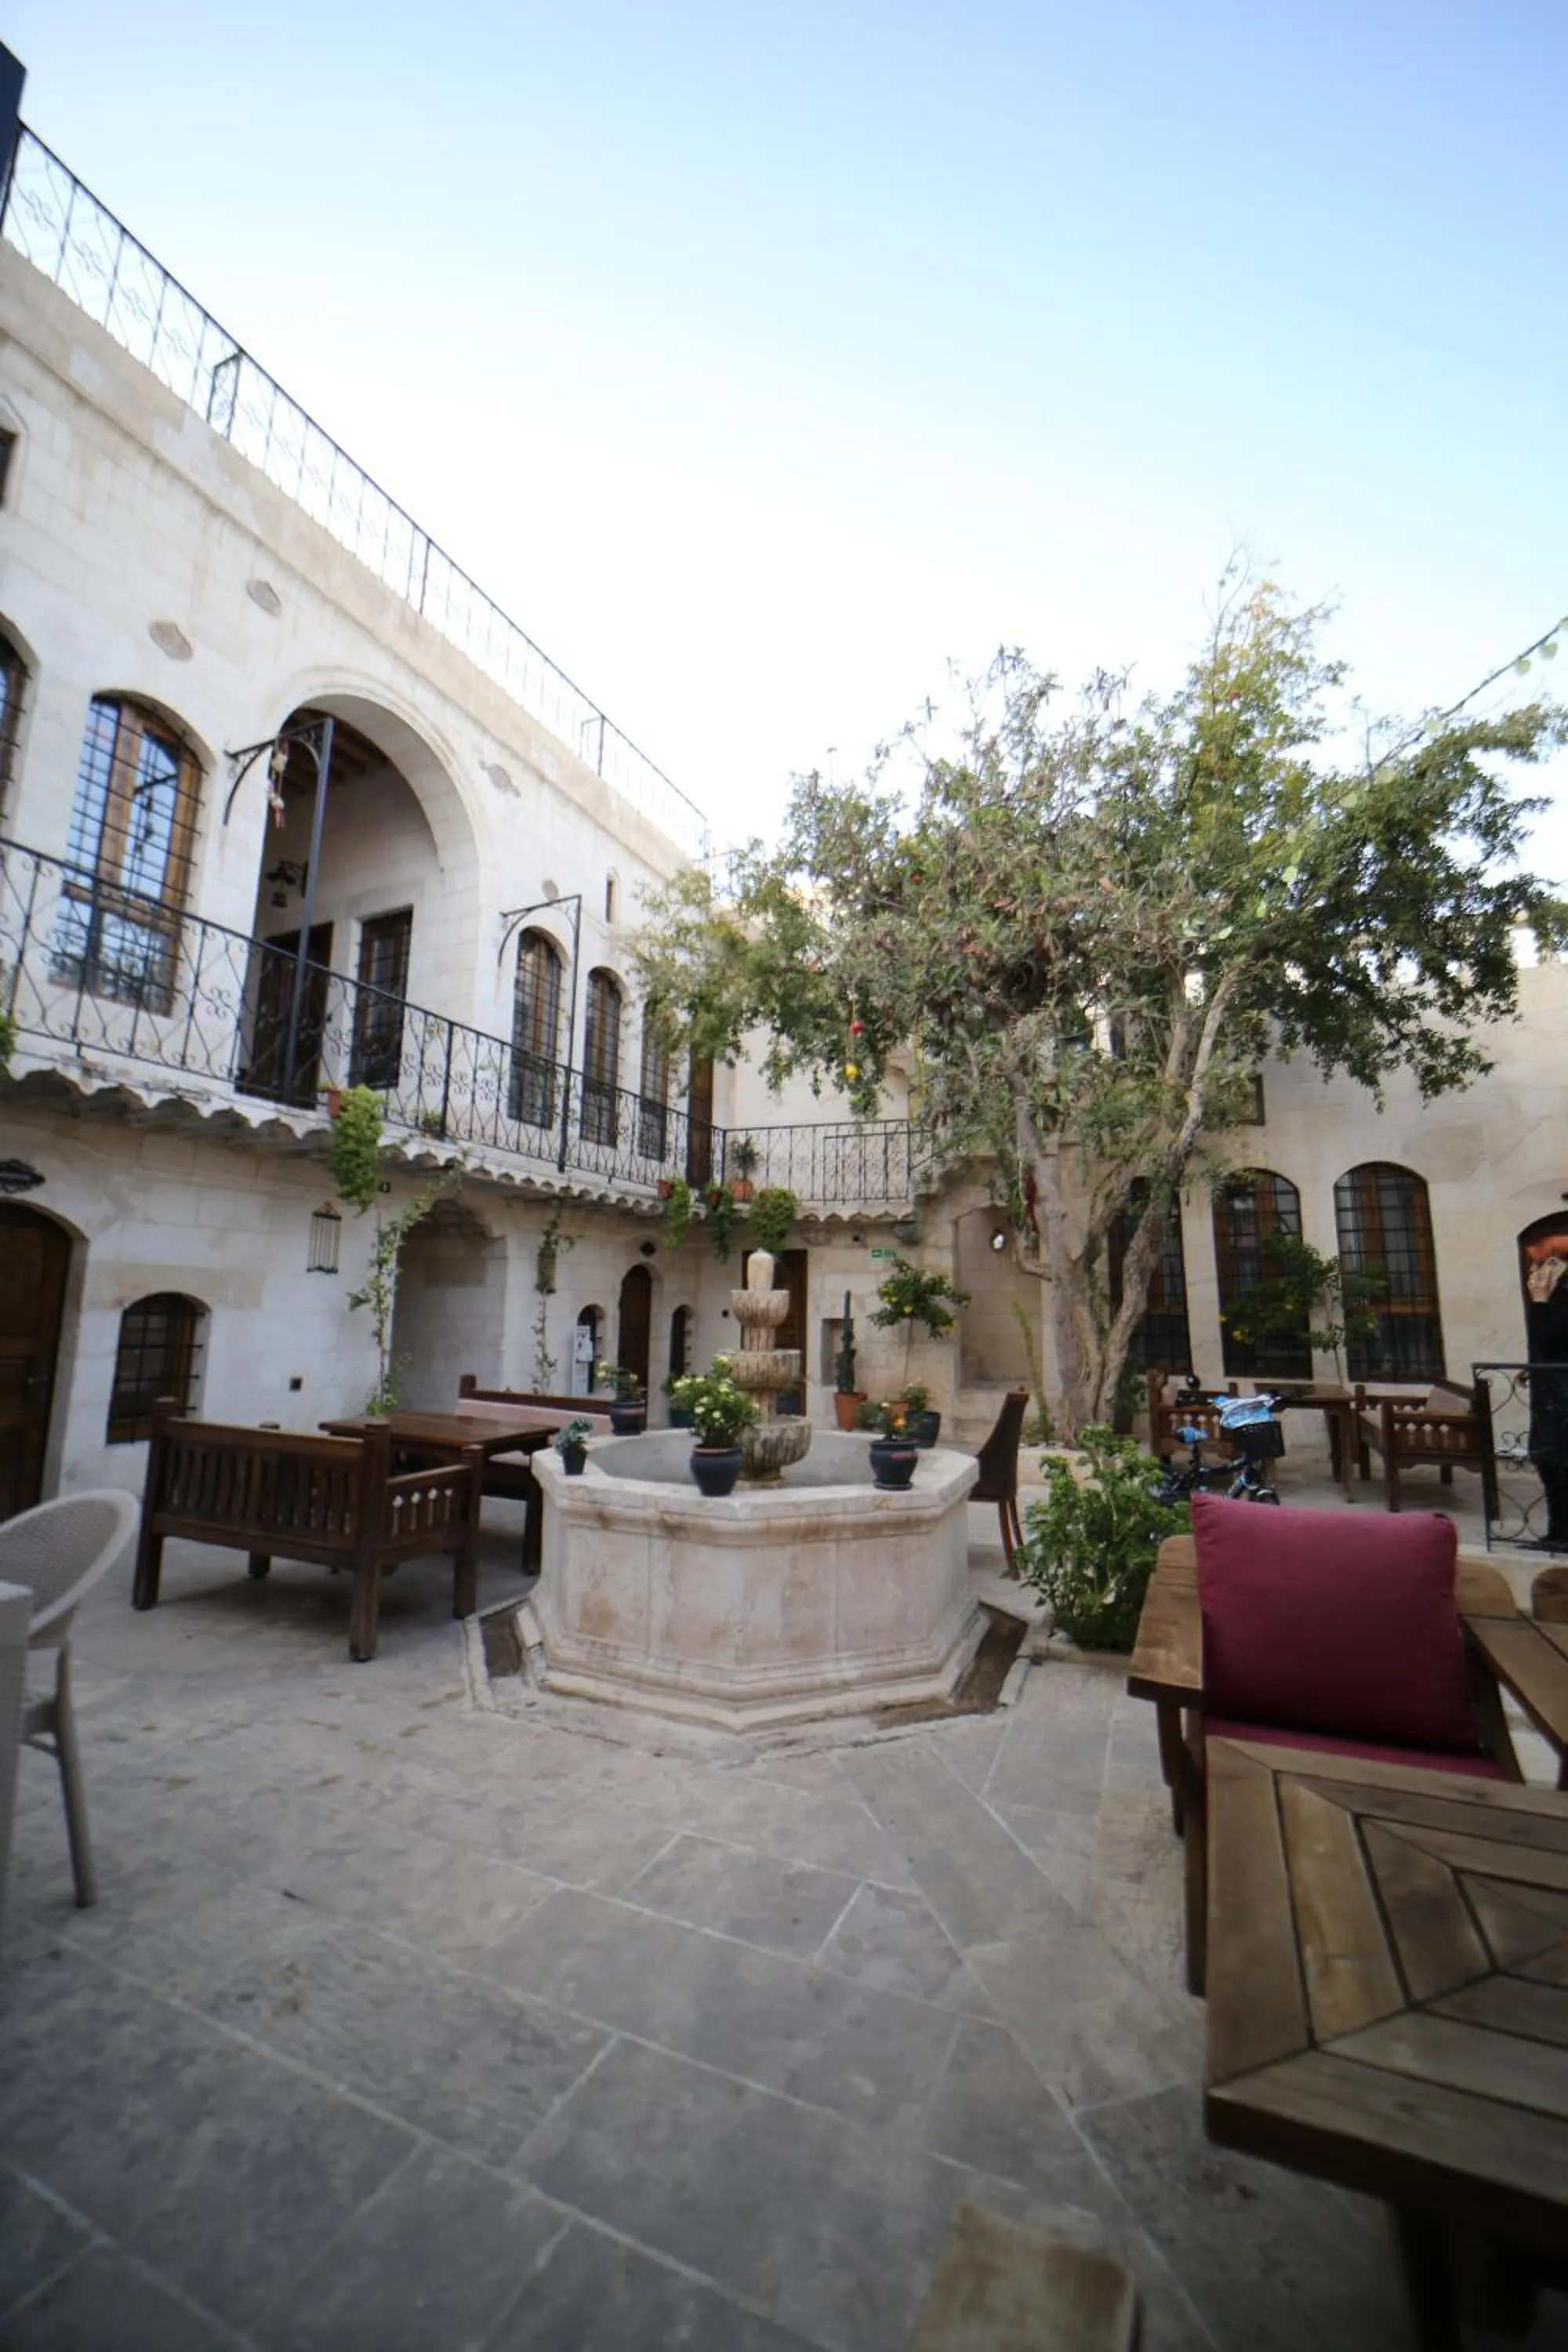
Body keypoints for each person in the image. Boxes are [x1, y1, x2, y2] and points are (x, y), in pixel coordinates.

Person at [1523, 1234, 1568, 1552]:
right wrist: (1531, 1367)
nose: (1533, 1272)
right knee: (1548, 1463)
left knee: (1561, 1464)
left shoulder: (1562, 1296)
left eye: (1538, 1264)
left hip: (1562, 1399)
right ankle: (1556, 1532)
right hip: (1551, 1396)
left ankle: (1564, 1535)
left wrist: (1539, 1301)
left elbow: (1551, 1338)